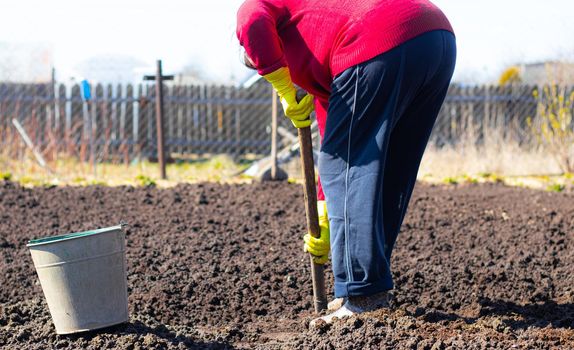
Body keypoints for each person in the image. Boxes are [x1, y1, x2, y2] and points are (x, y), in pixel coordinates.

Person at [236, 0, 456, 326]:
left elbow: (250, 19)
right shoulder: (321, 45)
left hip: (375, 40)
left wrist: (282, 86)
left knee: (350, 170)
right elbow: (334, 145)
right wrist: (325, 214)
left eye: (263, 67)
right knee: (389, 166)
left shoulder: (271, 11)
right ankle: (367, 284)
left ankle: (361, 294)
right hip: (434, 37)